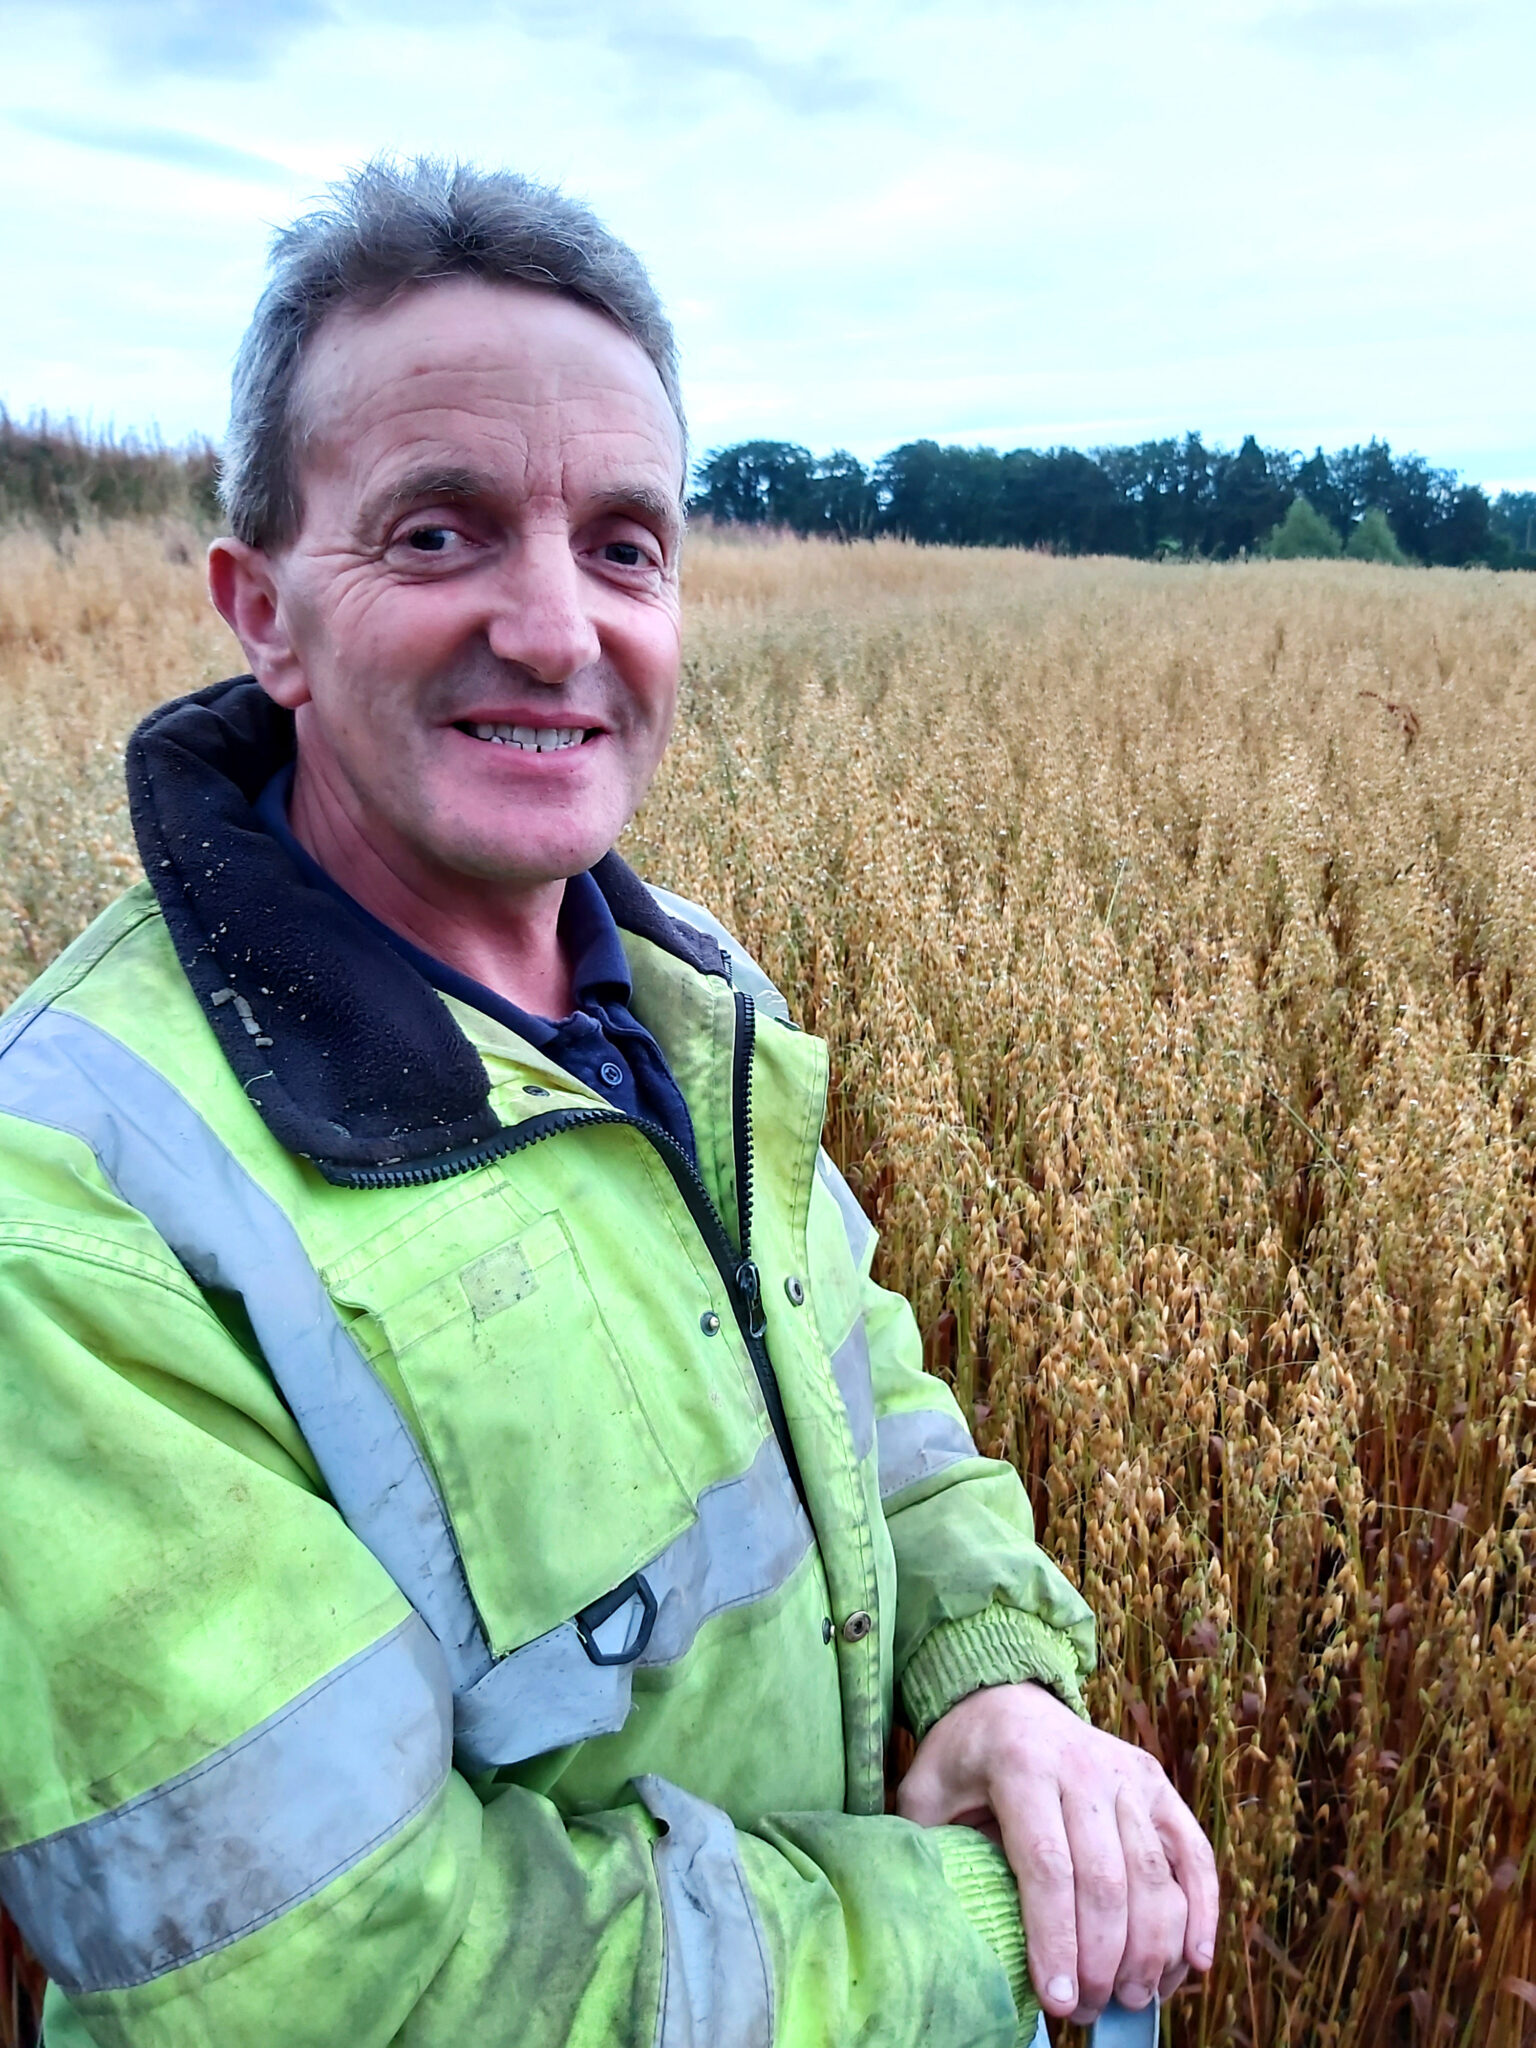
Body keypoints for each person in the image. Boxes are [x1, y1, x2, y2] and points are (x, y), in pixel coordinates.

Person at [0, 159, 1217, 2048]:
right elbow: (340, 1983)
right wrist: (985, 1938)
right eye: (438, 534)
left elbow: (861, 1381)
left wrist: (993, 1681)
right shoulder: (73, 1199)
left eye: (626, 547)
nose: (559, 629)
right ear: (265, 612)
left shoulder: (685, 988)